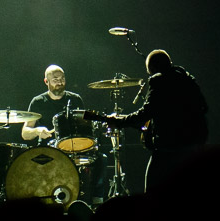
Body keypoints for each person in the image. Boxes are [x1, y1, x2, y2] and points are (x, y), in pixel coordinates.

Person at [84, 49, 208, 192]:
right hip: (193, 144)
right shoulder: (187, 79)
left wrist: (119, 121)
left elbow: (145, 113)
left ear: (153, 69)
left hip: (169, 146)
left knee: (152, 190)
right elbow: (204, 107)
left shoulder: (159, 81)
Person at [20, 64, 85, 143]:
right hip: (48, 150)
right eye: (55, 80)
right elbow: (25, 133)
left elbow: (84, 126)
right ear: (46, 81)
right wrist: (37, 131)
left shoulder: (75, 99)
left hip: (73, 146)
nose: (60, 83)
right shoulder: (38, 102)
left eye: (62, 79)